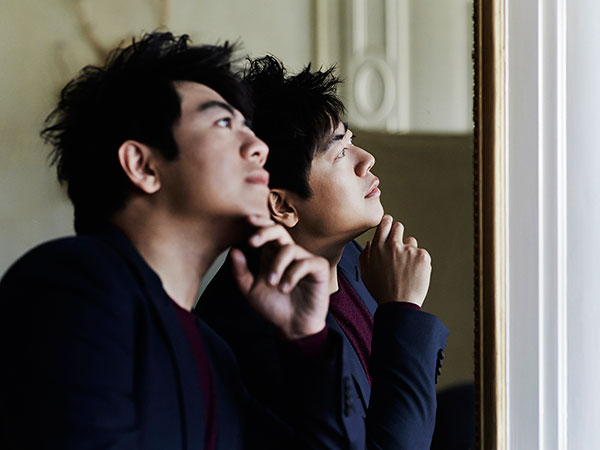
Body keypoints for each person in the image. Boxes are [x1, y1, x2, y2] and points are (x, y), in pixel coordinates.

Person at [0, 32, 356, 449]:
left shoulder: (213, 354)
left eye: (247, 127)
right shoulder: (71, 285)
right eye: (223, 123)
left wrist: (308, 342)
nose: (258, 147)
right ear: (143, 165)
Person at [197, 56, 450, 449]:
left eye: (351, 141)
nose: (366, 159)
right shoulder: (251, 333)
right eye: (340, 153)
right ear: (282, 205)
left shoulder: (354, 258)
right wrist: (401, 310)